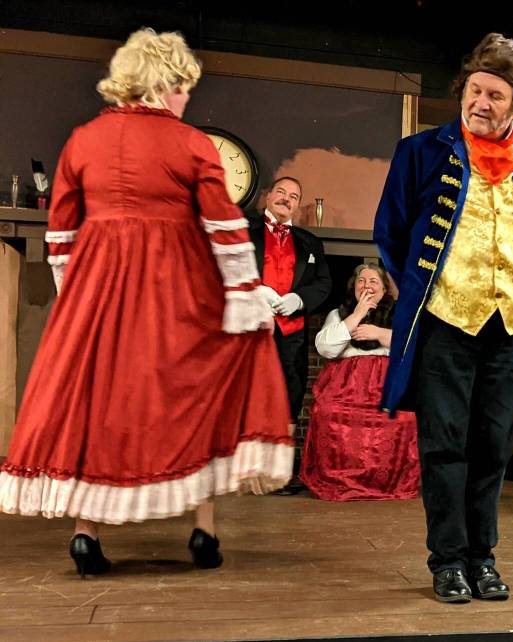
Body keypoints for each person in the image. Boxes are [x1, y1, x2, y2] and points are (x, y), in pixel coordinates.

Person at [0, 28, 293, 575]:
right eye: (182, 87)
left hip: (97, 288)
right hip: (179, 286)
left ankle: (86, 535)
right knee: (197, 387)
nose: (185, 99)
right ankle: (204, 530)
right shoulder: (190, 144)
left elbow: (60, 234)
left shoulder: (82, 140)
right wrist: (242, 296)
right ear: (162, 84)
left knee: (98, 398)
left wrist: (78, 300)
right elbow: (225, 224)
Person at [373, 33, 513, 603]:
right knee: (444, 446)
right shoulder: (420, 152)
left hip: (509, 326)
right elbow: (393, 233)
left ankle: (483, 556)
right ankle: (448, 560)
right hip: (445, 324)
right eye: (475, 90)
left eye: (495, 95)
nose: (481, 102)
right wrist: (426, 295)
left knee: (492, 447)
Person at [299, 263, 420, 501]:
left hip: (386, 382)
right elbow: (325, 348)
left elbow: (411, 346)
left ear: (385, 288)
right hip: (345, 385)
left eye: (374, 281)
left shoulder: (400, 312)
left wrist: (379, 333)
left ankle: (386, 481)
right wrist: (356, 315)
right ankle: (338, 479)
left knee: (404, 418)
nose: (367, 286)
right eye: (361, 281)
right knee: (326, 411)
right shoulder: (340, 313)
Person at [249, 176, 332, 495]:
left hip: (292, 333)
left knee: (288, 398)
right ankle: (243, 471)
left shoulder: (310, 242)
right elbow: (223, 268)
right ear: (268, 197)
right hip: (250, 329)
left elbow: (323, 283)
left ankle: (279, 474)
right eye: (281, 192)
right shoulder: (242, 231)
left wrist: (300, 299)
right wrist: (256, 290)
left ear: (299, 205)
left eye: (294, 196)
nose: (286, 198)